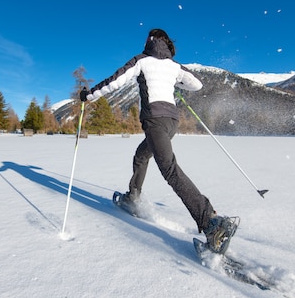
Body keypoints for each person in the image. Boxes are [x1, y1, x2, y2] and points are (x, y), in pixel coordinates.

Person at [81, 28, 236, 253]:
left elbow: (114, 82)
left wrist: (88, 95)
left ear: (150, 40)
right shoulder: (173, 66)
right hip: (171, 122)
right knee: (141, 155)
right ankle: (133, 195)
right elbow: (197, 84)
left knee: (169, 170)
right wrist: (176, 82)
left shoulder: (141, 61)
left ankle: (211, 223)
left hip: (155, 121)